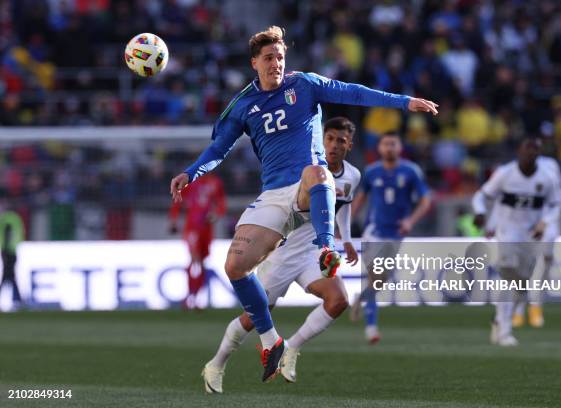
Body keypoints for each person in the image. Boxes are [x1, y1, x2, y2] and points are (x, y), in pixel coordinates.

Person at [170, 26, 437, 382]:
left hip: (306, 190)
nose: (276, 63)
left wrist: (404, 102)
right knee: (235, 266)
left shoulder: (305, 84)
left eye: (280, 57)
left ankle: (326, 248)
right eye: (269, 58)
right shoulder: (243, 105)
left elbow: (354, 93)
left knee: (318, 172)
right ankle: (268, 342)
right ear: (254, 63)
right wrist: (191, 172)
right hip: (273, 196)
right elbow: (219, 148)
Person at [202, 117, 361, 393]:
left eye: (341, 141)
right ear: (322, 140)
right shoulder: (306, 171)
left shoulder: (353, 176)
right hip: (283, 253)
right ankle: (216, 364)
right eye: (330, 138)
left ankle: (291, 348)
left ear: (349, 145)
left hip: (313, 252)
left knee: (338, 301)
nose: (334, 145)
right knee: (253, 317)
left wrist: (345, 238)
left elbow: (344, 204)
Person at [472, 138, 559, 346]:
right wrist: (480, 212)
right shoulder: (505, 173)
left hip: (529, 236)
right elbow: (481, 195)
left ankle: (499, 321)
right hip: (507, 233)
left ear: (539, 154)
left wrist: (544, 222)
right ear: (519, 152)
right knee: (509, 274)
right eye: (526, 150)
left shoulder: (547, 178)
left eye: (534, 151)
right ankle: (504, 331)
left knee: (520, 285)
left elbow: (556, 205)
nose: (530, 155)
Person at [350, 132, 432, 343]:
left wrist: (410, 222)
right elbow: (360, 198)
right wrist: (346, 224)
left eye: (393, 144)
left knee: (379, 282)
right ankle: (371, 328)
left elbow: (425, 201)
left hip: (396, 234)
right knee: (375, 277)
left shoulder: (411, 171)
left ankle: (362, 297)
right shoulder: (371, 172)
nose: (389, 148)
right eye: (385, 144)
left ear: (400, 147)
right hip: (374, 232)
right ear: (379, 148)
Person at [510, 155, 561, 328]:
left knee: (545, 261)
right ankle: (518, 309)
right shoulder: (525, 173)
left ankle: (536, 305)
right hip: (529, 224)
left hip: (549, 225)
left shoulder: (552, 168)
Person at [169, 173, 226, 310]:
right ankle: (191, 296)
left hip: (206, 229)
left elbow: (221, 204)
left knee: (201, 263)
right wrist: (174, 219)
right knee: (195, 260)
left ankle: (196, 296)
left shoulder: (215, 182)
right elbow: (178, 199)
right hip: (192, 228)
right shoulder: (190, 181)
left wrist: (215, 214)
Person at [0, 205, 25, 311]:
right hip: (13, 251)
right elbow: (20, 233)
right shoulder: (16, 218)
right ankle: (18, 300)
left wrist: (5, 250)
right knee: (10, 276)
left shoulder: (6, 219)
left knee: (7, 276)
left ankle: (18, 300)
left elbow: (7, 234)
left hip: (8, 251)